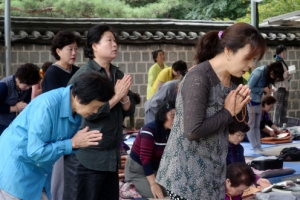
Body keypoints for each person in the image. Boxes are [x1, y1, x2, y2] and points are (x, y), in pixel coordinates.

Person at [156, 22, 267, 200]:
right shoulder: (199, 78)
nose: (251, 65)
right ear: (229, 51)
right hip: (186, 177)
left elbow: (229, 125)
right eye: (248, 58)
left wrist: (239, 111)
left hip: (212, 173)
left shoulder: (233, 80)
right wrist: (228, 112)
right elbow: (193, 131)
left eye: (254, 60)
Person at [0, 71, 115, 200]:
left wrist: (77, 143)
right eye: (94, 107)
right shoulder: (47, 106)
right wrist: (72, 143)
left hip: (40, 172)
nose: (95, 111)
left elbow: (65, 143)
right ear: (78, 98)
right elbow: (36, 151)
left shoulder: (76, 109)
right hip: (16, 170)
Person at [63, 24, 135, 200]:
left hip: (111, 155)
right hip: (88, 156)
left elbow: (129, 109)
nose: (115, 44)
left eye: (115, 40)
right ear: (94, 45)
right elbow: (88, 112)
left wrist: (124, 98)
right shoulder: (84, 75)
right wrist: (117, 97)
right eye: (109, 40)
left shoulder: (117, 73)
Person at [41, 30, 80, 200]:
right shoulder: (52, 73)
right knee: (58, 174)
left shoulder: (78, 71)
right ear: (58, 51)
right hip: (58, 129)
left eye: (76, 49)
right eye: (69, 49)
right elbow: (52, 105)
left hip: (76, 127)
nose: (73, 53)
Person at [125, 101, 175, 198]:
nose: (175, 120)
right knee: (157, 194)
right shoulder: (149, 129)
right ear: (163, 115)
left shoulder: (171, 131)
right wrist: (153, 184)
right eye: (172, 116)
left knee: (173, 191)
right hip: (138, 170)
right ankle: (130, 183)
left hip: (156, 170)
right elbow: (145, 159)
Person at [246, 61, 284, 154]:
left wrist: (269, 90)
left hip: (258, 101)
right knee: (252, 126)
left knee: (257, 126)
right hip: (251, 101)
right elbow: (248, 87)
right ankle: (254, 147)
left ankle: (258, 146)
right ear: (271, 71)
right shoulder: (258, 72)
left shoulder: (268, 75)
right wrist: (262, 89)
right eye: (274, 76)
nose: (273, 78)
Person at [226, 122, 271, 193]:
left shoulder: (239, 148)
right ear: (228, 132)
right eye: (238, 135)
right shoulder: (221, 149)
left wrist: (257, 179)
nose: (240, 138)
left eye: (242, 135)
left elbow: (243, 167)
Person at [0, 63, 40, 135]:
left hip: (16, 123)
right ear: (18, 79)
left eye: (30, 86)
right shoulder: (4, 86)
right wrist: (14, 108)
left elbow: (27, 103)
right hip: (2, 123)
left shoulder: (27, 87)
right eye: (26, 85)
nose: (28, 88)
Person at [273, 45, 291, 127]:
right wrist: (285, 74)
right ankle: (276, 126)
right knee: (278, 108)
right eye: (283, 52)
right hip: (279, 88)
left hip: (285, 87)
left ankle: (282, 126)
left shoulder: (282, 62)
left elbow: (284, 75)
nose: (284, 54)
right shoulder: (276, 63)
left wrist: (288, 74)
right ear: (279, 53)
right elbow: (276, 77)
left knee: (284, 108)